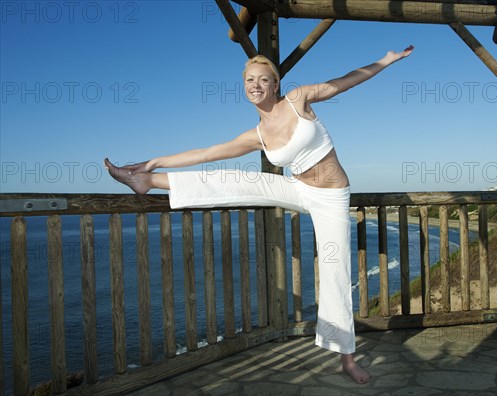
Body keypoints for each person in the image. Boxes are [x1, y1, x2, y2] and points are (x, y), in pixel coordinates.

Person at [105, 45, 414, 384]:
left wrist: (385, 61)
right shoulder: (258, 136)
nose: (255, 85)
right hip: (297, 188)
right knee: (236, 178)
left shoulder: (299, 100)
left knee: (335, 271)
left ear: (276, 84)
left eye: (263, 79)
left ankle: (347, 359)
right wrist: (153, 162)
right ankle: (147, 181)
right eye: (249, 80)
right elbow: (208, 152)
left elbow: (347, 81)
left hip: (332, 197)